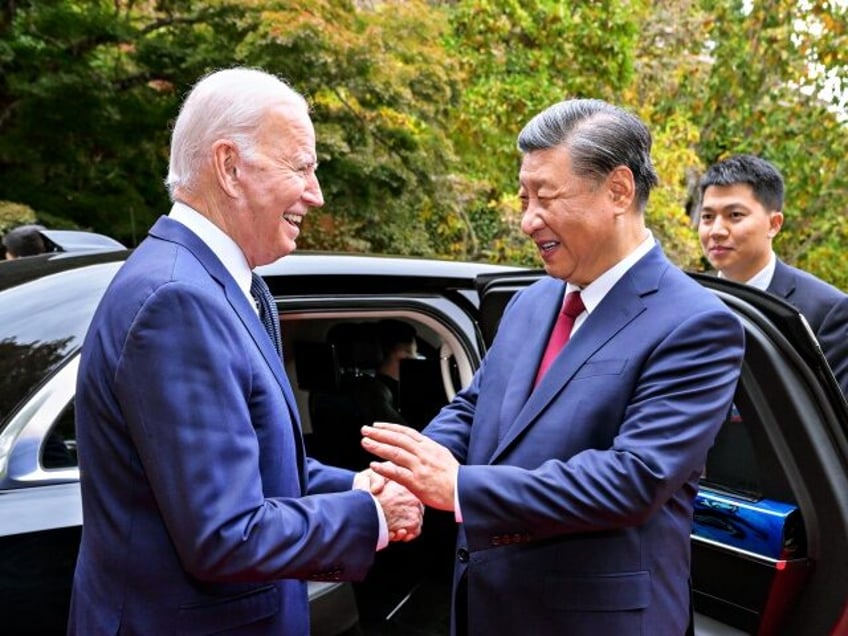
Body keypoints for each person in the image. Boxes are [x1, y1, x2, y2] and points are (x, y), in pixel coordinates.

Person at [361, 98, 746, 635]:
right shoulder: (532, 301)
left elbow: (634, 478)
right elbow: (479, 407)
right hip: (487, 606)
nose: (527, 220)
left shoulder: (696, 323)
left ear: (618, 190)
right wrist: (407, 473)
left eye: (546, 197)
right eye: (524, 198)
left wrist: (459, 489)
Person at [69, 67, 422, 636]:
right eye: (301, 167)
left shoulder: (229, 284)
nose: (317, 193)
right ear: (230, 167)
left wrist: (357, 485)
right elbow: (224, 534)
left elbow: (260, 468)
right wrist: (373, 515)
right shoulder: (179, 301)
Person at [698, 153, 848, 395]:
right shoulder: (688, 299)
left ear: (774, 224)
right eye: (707, 217)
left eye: (735, 215)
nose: (716, 230)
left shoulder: (827, 311)